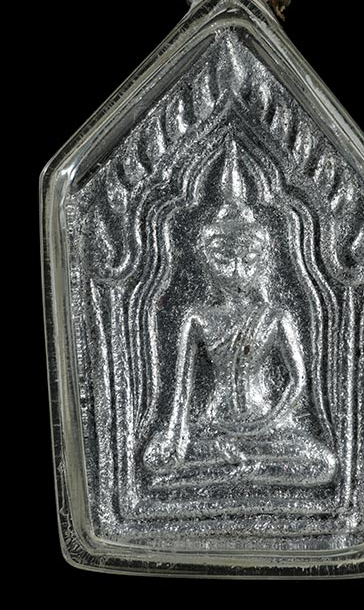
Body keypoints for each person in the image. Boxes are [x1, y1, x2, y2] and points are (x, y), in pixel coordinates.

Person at [144, 140, 337, 488]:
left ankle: (233, 469)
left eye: (248, 259)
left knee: (322, 463)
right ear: (206, 260)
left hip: (267, 424)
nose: (236, 270)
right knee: (152, 462)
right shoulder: (197, 318)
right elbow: (181, 394)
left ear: (263, 260)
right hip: (213, 425)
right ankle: (244, 468)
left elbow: (297, 381)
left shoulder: (275, 316)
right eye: (224, 258)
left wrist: (270, 420)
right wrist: (175, 436)